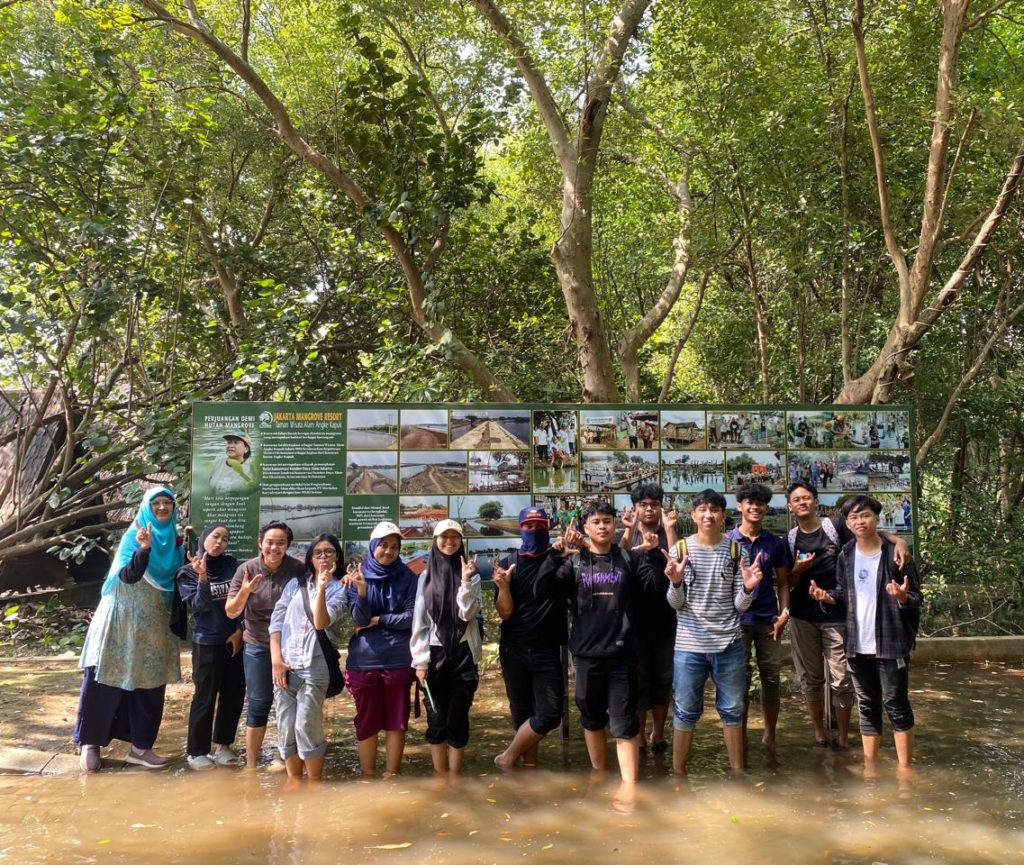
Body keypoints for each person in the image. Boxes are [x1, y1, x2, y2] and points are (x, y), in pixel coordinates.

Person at [786, 481, 908, 750]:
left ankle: (843, 734)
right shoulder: (790, 538)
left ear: (816, 502)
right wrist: (798, 568)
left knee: (841, 679)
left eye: (807, 498)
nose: (803, 502)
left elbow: (867, 531)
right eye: (797, 499)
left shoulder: (835, 527)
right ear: (790, 506)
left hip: (838, 615)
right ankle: (819, 731)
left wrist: (898, 539)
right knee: (810, 678)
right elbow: (786, 580)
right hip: (802, 616)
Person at [545, 502, 658, 785]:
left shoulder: (628, 559)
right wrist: (555, 556)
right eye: (596, 522)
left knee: (624, 723)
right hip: (586, 654)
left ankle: (630, 787)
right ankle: (599, 776)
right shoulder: (574, 562)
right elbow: (545, 591)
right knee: (592, 717)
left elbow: (652, 589)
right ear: (586, 528)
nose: (603, 526)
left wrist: (654, 555)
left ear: (614, 525)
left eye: (607, 521)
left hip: (623, 655)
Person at [75, 488, 185, 771]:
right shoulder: (133, 536)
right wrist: (144, 549)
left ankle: (140, 747)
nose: (162, 507)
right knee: (105, 681)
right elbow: (129, 575)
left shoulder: (177, 543)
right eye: (156, 503)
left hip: (155, 624)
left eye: (167, 503)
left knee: (150, 685)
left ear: (173, 508)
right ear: (146, 507)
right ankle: (90, 744)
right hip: (120, 620)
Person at [809, 495, 922, 770]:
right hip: (856, 645)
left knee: (896, 704)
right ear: (847, 522)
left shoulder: (897, 555)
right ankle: (871, 767)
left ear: (877, 518)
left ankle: (905, 768)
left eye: (865, 515)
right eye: (853, 517)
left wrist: (903, 597)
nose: (860, 521)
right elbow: (844, 594)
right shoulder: (846, 555)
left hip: (891, 641)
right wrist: (827, 597)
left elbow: (917, 598)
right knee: (868, 705)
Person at [665, 489, 764, 775]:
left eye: (715, 510)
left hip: (729, 643)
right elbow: (676, 604)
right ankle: (678, 776)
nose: (708, 515)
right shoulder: (679, 551)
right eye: (703, 509)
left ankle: (737, 774)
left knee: (733, 710)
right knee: (684, 711)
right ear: (693, 515)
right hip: (689, 645)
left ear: (723, 516)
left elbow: (740, 607)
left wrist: (747, 588)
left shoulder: (736, 551)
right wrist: (675, 583)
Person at [493, 507, 568, 770]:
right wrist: (503, 587)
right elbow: (505, 612)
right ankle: (530, 770)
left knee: (549, 714)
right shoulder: (507, 564)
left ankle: (508, 757)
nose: (534, 531)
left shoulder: (560, 558)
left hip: (548, 650)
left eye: (539, 526)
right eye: (529, 526)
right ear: (520, 528)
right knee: (522, 712)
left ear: (548, 527)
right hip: (514, 649)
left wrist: (568, 554)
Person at [225, 521, 305, 769]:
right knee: (259, 701)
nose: (274, 547)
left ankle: (285, 754)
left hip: (290, 645)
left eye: (281, 543)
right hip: (258, 644)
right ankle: (251, 764)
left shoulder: (298, 569)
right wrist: (245, 592)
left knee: (291, 699)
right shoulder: (246, 569)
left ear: (288, 546)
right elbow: (231, 611)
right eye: (269, 542)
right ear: (260, 543)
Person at [269, 533, 346, 783]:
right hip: (286, 664)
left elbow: (322, 621)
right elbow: (276, 622)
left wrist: (322, 588)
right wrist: (276, 660)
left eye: (329, 552)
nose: (324, 557)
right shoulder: (295, 585)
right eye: (318, 553)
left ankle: (314, 783)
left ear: (337, 556)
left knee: (306, 725)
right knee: (285, 724)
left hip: (315, 665)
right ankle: (294, 781)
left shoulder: (339, 589)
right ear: (311, 558)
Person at [344, 521, 418, 776]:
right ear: (373, 546)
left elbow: (411, 617)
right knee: (366, 720)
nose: (388, 551)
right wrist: (362, 591)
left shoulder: (408, 577)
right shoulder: (357, 576)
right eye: (383, 545)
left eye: (394, 547)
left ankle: (392, 774)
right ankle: (367, 776)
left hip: (398, 660)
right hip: (364, 661)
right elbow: (360, 620)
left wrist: (380, 619)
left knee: (397, 720)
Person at [410, 519, 483, 775]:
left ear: (461, 541)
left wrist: (464, 581)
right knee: (436, 717)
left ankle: (454, 776)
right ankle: (441, 776)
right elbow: (419, 621)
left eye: (455, 537)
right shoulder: (424, 577)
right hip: (434, 653)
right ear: (436, 540)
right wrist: (420, 662)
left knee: (459, 715)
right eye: (444, 537)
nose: (449, 542)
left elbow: (466, 615)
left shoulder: (472, 575)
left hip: (463, 653)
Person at [727, 484, 791, 755]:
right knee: (737, 680)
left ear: (766, 508)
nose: (755, 507)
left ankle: (769, 736)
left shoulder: (775, 543)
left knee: (771, 678)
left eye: (760, 503)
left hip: (768, 619)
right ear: (739, 506)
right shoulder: (727, 542)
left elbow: (784, 583)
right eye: (749, 502)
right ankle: (739, 739)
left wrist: (784, 614)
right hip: (737, 621)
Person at [176, 523, 245, 770]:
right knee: (205, 696)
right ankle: (196, 751)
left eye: (225, 539)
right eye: (216, 536)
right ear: (204, 538)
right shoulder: (187, 572)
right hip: (207, 641)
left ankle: (224, 745)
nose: (219, 542)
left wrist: (239, 630)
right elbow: (198, 606)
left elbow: (242, 599)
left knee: (233, 693)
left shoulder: (232, 566)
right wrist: (203, 576)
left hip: (235, 640)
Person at [618, 484, 677, 756]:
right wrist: (629, 531)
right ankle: (640, 736)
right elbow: (614, 562)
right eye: (643, 504)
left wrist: (669, 529)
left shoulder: (670, 537)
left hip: (666, 621)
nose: (649, 508)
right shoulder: (627, 538)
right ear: (635, 508)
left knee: (663, 680)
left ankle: (659, 734)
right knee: (639, 681)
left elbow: (680, 565)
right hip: (635, 624)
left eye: (654, 503)